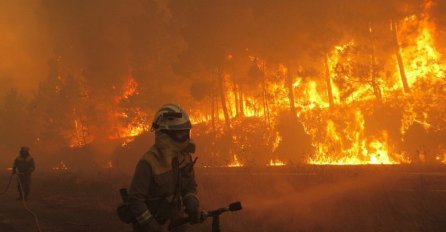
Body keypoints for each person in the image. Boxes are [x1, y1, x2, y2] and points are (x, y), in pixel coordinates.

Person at [128, 104, 201, 232]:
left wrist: (192, 205)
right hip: (150, 226)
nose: (186, 139)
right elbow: (136, 202)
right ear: (164, 134)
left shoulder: (184, 157)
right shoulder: (148, 163)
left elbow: (189, 186)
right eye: (181, 134)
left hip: (176, 221)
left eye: (187, 133)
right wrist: (153, 227)